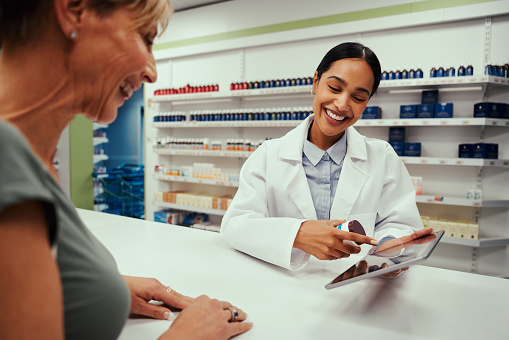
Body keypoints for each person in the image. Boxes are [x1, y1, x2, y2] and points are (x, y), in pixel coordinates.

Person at [0, 1, 252, 339]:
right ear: (74, 9)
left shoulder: (30, 157)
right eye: (146, 38)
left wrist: (96, 287)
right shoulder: (7, 157)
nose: (152, 72)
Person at [220, 42, 432, 273]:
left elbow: (400, 224)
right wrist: (298, 234)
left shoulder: (382, 157)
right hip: (283, 285)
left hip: (354, 292)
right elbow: (236, 226)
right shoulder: (268, 155)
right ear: (315, 82)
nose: (342, 104)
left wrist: (389, 247)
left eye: (358, 98)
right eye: (334, 88)